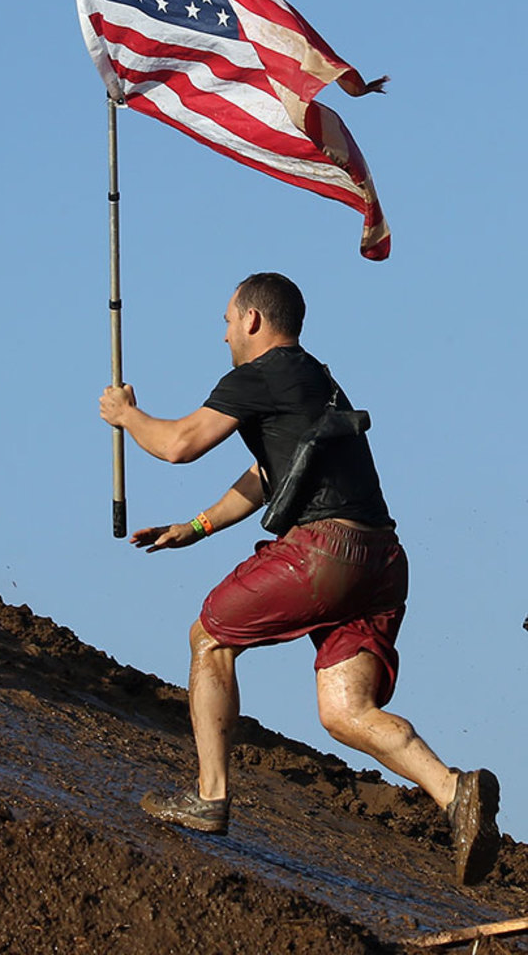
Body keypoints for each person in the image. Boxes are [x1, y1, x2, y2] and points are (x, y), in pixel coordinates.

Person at [99, 272, 500, 886]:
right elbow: (270, 474)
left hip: (327, 551)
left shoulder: (258, 374)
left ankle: (209, 796)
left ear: (254, 320)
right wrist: (198, 526)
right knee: (345, 710)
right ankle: (456, 793)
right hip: (382, 562)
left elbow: (180, 444)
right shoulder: (317, 379)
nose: (226, 332)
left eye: (229, 319)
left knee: (208, 637)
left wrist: (127, 415)